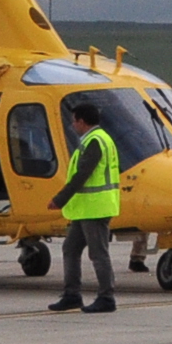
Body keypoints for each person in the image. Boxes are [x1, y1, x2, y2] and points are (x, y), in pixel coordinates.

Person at [50, 101, 121, 313]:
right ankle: (72, 295)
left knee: (98, 254)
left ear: (82, 121)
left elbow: (82, 174)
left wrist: (60, 199)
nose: (72, 125)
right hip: (85, 208)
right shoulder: (96, 139)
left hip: (95, 208)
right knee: (70, 248)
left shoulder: (95, 141)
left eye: (74, 121)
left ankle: (106, 297)